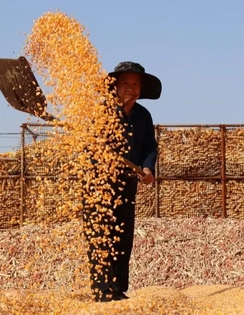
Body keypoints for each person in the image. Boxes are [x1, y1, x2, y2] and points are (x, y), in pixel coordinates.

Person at [82, 61, 161, 302]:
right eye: (125, 82)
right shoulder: (100, 112)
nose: (130, 87)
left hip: (127, 183)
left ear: (141, 89)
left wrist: (147, 168)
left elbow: (149, 146)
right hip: (99, 183)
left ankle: (118, 289)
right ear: (114, 86)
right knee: (101, 233)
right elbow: (88, 143)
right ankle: (102, 289)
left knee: (123, 234)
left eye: (135, 83)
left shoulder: (143, 116)